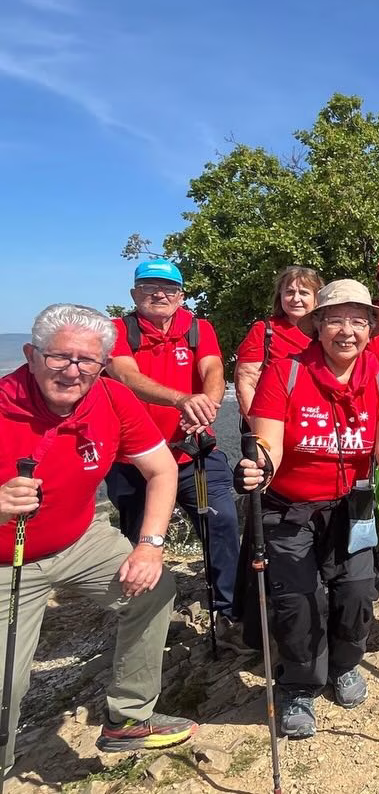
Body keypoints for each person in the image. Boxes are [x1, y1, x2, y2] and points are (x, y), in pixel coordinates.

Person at [0, 304, 196, 771]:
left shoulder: (110, 398)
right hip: (8, 561)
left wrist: (150, 545)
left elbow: (162, 469)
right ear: (31, 355)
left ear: (102, 365)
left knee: (155, 589)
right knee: (5, 684)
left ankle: (128, 721)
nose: (72, 372)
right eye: (59, 357)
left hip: (79, 537)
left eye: (87, 361)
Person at [238, 279, 379, 738]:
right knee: (298, 599)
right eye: (336, 320)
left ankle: (345, 664)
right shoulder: (285, 373)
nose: (347, 330)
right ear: (318, 326)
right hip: (288, 507)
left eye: (359, 320)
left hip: (352, 505)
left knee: (356, 592)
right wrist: (259, 467)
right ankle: (299, 682)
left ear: (372, 329)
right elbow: (268, 442)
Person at [103, 260, 240, 626]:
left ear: (181, 295)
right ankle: (149, 614)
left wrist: (206, 407)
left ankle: (228, 607)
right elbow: (125, 375)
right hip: (133, 460)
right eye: (149, 287)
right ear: (135, 294)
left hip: (191, 452)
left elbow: (213, 370)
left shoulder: (198, 328)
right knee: (137, 535)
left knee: (221, 522)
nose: (159, 294)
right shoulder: (117, 330)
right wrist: (182, 400)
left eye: (168, 288)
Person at [234, 265, 324, 417]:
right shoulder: (264, 330)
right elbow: (246, 384)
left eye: (304, 293)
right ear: (280, 296)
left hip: (317, 423)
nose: (296, 299)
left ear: (317, 298)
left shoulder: (327, 332)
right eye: (289, 292)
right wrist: (261, 431)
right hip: (273, 422)